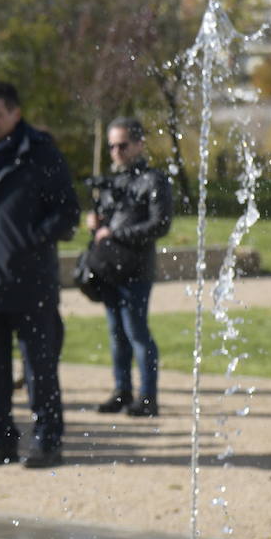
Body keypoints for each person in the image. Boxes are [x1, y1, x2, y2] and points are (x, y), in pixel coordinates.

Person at [0, 82, 79, 469]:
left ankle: (47, 440)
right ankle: (2, 439)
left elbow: (67, 212)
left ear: (15, 114)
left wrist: (33, 240)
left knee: (39, 367)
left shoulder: (40, 154)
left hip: (30, 281)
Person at [88, 117, 172, 418]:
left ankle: (148, 397)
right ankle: (122, 390)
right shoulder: (112, 181)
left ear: (139, 144)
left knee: (136, 331)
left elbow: (160, 223)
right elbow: (107, 221)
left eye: (122, 145)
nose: (116, 151)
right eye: (111, 146)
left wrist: (117, 233)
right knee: (115, 332)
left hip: (135, 268)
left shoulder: (154, 180)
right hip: (110, 267)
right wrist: (96, 225)